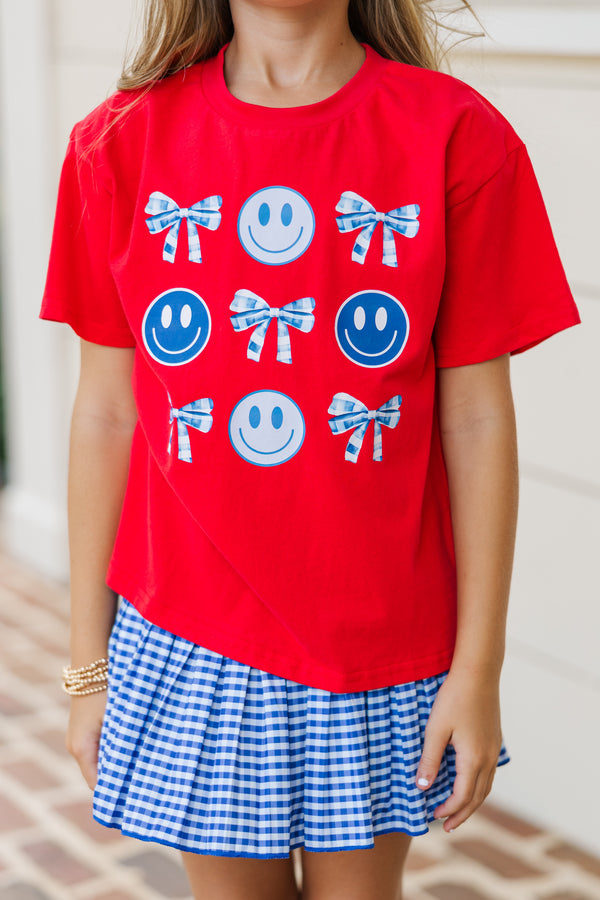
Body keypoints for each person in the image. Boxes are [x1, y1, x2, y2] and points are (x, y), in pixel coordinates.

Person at [39, 0, 581, 898]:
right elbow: (105, 415)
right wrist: (88, 667)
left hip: (380, 644)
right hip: (187, 637)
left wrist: (477, 669)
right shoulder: (119, 144)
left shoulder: (458, 139)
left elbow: (478, 421)